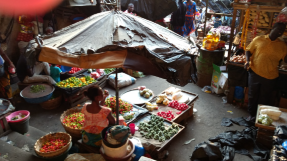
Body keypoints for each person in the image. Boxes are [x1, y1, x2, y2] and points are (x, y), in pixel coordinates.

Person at [244, 22, 287, 121]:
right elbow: (248, 50)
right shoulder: (259, 39)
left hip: (270, 76)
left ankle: (259, 117)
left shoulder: (282, 46)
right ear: (273, 28)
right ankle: (251, 115)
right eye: (279, 28)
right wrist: (247, 61)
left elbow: (285, 59)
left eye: (282, 30)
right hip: (255, 72)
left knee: (264, 98)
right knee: (252, 95)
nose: (280, 31)